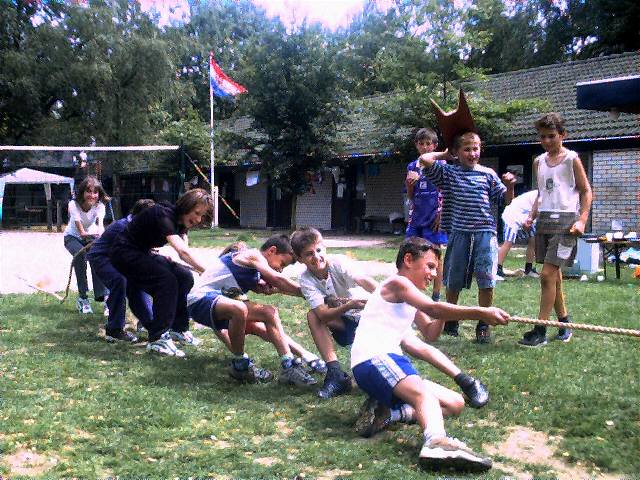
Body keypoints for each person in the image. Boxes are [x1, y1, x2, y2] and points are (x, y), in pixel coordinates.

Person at [350, 237, 510, 472]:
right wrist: (481, 312)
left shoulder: (408, 299)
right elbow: (432, 309)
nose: (434, 274)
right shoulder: (397, 283)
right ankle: (436, 442)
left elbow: (430, 332)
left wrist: (443, 309)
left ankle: (388, 414)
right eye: (430, 266)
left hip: (388, 363)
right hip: (373, 359)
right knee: (424, 396)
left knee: (454, 404)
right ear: (408, 260)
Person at [290, 227, 490, 407]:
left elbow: (365, 281)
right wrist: (350, 305)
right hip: (348, 320)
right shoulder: (306, 280)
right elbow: (323, 314)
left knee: (415, 344)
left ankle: (466, 381)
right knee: (313, 316)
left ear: (324, 248)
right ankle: (335, 373)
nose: (316, 257)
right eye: (309, 254)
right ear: (299, 259)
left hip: (370, 315)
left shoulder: (339, 262)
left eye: (318, 250)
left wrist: (387, 301)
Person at [420, 131, 515, 342]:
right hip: (459, 233)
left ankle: (483, 324)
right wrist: (445, 154)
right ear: (457, 152)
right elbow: (424, 159)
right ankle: (450, 320)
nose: (472, 153)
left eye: (476, 148)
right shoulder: (448, 173)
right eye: (467, 149)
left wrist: (510, 186)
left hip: (485, 234)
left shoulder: (488, 174)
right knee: (453, 280)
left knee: (486, 280)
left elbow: (505, 200)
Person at [187, 235, 319, 387]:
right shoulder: (253, 255)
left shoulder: (254, 272)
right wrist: (309, 292)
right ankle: (241, 364)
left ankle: (291, 363)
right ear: (272, 251)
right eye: (282, 263)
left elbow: (275, 286)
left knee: (267, 315)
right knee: (242, 308)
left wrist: (275, 289)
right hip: (200, 300)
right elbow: (277, 279)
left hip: (214, 305)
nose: (281, 269)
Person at [518, 113, 592, 347]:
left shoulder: (571, 159)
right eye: (543, 137)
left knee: (546, 275)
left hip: (566, 224)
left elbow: (586, 191)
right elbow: (541, 193)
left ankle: (540, 330)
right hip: (544, 221)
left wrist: (582, 220)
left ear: (562, 135)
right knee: (554, 276)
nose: (547, 141)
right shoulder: (538, 161)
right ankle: (564, 323)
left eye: (551, 136)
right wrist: (531, 216)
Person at [110, 188, 211, 357]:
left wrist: (194, 267)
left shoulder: (180, 222)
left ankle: (178, 328)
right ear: (186, 206)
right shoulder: (164, 214)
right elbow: (182, 252)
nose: (198, 219)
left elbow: (184, 248)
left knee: (184, 276)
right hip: (123, 253)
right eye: (197, 213)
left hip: (142, 253)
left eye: (202, 215)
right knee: (166, 281)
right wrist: (207, 271)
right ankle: (158, 338)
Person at [87, 199, 155, 343]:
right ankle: (114, 329)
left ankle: (150, 323)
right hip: (101, 257)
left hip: (119, 257)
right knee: (120, 281)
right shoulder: (122, 227)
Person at [405, 128, 448, 301]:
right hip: (417, 216)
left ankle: (436, 295)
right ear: (416, 145)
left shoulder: (441, 164)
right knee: (411, 252)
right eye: (421, 144)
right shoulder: (412, 166)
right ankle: (412, 293)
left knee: (436, 255)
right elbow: (411, 196)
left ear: (435, 145)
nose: (424, 147)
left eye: (428, 144)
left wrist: (442, 214)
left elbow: (447, 191)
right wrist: (409, 185)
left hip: (434, 217)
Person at [63, 176, 109, 314]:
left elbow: (100, 226)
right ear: (82, 192)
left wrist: (101, 234)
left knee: (97, 257)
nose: (92, 195)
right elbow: (82, 232)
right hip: (72, 237)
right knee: (81, 256)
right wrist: (96, 235)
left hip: (91, 236)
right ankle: (83, 298)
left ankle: (105, 297)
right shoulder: (73, 205)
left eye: (95, 192)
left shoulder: (100, 206)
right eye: (89, 191)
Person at [496, 189, 540, 280]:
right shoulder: (543, 194)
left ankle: (529, 269)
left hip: (526, 214)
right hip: (512, 215)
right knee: (509, 242)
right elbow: (537, 210)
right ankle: (497, 270)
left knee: (533, 239)